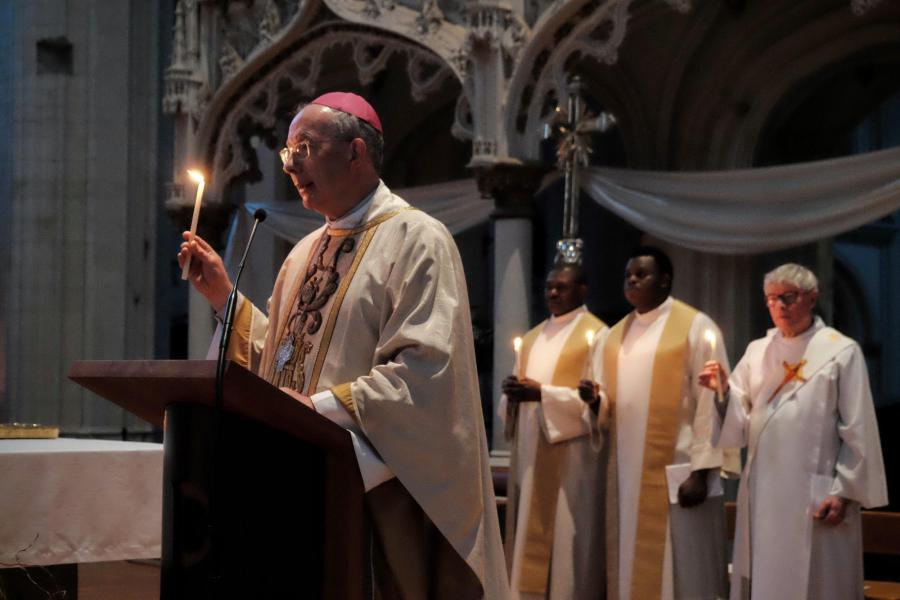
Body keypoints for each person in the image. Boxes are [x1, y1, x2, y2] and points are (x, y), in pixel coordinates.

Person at [178, 92, 509, 599]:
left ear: (356, 152)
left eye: (304, 147)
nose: (290, 165)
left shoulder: (418, 239)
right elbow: (283, 363)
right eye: (287, 152)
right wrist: (223, 296)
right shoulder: (304, 252)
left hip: (371, 496)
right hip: (296, 480)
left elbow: (423, 372)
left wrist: (315, 410)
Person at [700, 263, 888, 600]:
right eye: (772, 299)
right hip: (764, 496)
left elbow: (858, 427)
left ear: (812, 297)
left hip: (815, 495)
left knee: (817, 584)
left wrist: (844, 490)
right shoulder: (758, 351)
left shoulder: (840, 352)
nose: (780, 306)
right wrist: (722, 393)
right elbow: (738, 424)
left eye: (789, 297)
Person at [580, 246, 739, 600]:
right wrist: (595, 401)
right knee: (629, 566)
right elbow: (609, 405)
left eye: (641, 274)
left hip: (678, 469)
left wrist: (702, 470)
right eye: (628, 276)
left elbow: (711, 400)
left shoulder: (695, 326)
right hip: (625, 476)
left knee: (684, 570)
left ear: (665, 280)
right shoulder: (612, 336)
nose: (632, 281)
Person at [499, 264, 607, 600]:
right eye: (549, 287)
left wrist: (543, 394)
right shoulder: (531, 339)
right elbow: (509, 409)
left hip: (572, 463)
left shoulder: (599, 334)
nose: (553, 293)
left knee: (566, 546)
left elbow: (601, 401)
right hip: (531, 455)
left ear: (582, 290)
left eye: (561, 287)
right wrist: (513, 395)